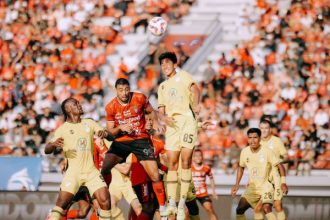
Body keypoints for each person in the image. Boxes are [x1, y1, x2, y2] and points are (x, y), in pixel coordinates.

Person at [101, 78, 167, 218]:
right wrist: (120, 127)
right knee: (105, 168)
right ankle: (104, 195)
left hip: (140, 140)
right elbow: (110, 133)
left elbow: (150, 111)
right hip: (122, 142)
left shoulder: (139, 97)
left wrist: (155, 122)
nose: (124, 93)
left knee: (155, 175)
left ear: (129, 88)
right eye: (121, 90)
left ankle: (163, 208)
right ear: (116, 90)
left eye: (126, 89)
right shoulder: (110, 106)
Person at [45, 98, 112, 220]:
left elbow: (107, 134)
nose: (79, 105)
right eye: (76, 104)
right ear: (68, 109)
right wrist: (53, 144)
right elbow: (46, 149)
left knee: (105, 202)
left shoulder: (89, 123)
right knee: (61, 206)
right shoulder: (63, 129)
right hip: (73, 173)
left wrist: (105, 134)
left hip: (91, 172)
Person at [157, 51, 201, 219]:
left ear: (175, 64)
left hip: (187, 121)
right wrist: (163, 118)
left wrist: (196, 105)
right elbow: (160, 111)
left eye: (168, 62)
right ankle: (172, 204)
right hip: (172, 125)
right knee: (172, 163)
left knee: (185, 160)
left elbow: (196, 90)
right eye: (162, 64)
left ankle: (182, 204)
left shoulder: (184, 76)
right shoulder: (162, 86)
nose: (165, 66)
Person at [231, 128, 288, 220]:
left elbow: (280, 166)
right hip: (253, 187)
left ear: (259, 138)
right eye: (250, 138)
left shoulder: (267, 151)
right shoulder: (244, 152)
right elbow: (241, 167)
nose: (252, 140)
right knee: (240, 209)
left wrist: (283, 182)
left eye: (255, 137)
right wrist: (237, 184)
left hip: (267, 186)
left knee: (267, 208)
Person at [260, 119, 288, 220]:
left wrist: (279, 161)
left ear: (270, 129)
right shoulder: (257, 142)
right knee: (266, 208)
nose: (264, 130)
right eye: (262, 128)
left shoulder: (277, 141)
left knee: (277, 206)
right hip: (263, 180)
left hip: (276, 177)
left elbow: (286, 157)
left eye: (266, 128)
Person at [191, 149, 218, 220]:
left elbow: (211, 178)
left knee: (209, 208)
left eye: (200, 156)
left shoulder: (206, 168)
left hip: (202, 193)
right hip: (191, 193)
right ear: (192, 158)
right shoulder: (189, 167)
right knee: (187, 212)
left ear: (202, 157)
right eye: (196, 156)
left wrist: (213, 191)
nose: (198, 157)